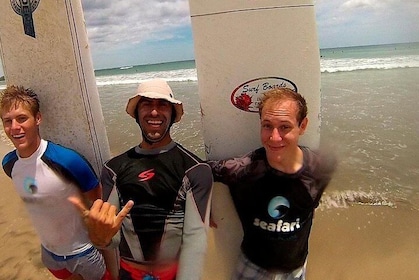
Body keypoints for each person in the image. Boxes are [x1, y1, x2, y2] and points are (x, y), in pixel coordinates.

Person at [71, 78, 213, 280]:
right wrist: (98, 235)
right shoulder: (113, 169)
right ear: (136, 114)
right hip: (129, 274)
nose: (154, 112)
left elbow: (195, 239)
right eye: (146, 104)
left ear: (173, 114)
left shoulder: (195, 170)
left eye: (162, 104)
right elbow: (111, 239)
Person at [209, 87, 336, 280]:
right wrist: (203, 205)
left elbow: (312, 204)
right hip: (252, 267)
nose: (274, 137)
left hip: (296, 269)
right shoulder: (242, 170)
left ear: (302, 126)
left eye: (285, 127)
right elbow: (194, 171)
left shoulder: (320, 168)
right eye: (267, 125)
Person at [0, 85, 109, 280]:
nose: (14, 127)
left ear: (38, 118)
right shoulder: (9, 164)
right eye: (8, 121)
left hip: (83, 253)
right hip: (49, 255)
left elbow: (98, 201)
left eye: (22, 118)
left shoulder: (66, 160)